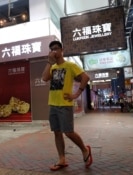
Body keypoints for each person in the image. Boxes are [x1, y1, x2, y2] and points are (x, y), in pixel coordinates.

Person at [42, 40, 93, 171]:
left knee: (68, 132)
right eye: (52, 49)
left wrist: (76, 94)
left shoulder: (70, 65)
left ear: (61, 50)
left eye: (56, 49)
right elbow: (44, 78)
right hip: (53, 104)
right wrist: (49, 62)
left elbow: (85, 78)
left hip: (65, 104)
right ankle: (62, 159)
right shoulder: (52, 67)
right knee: (57, 133)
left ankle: (85, 149)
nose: (54, 51)